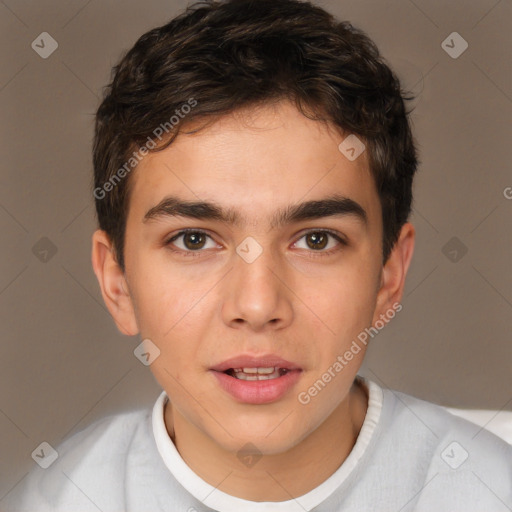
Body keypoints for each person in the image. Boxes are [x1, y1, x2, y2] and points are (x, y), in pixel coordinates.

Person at [4, 0, 511, 510]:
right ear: (118, 283)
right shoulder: (53, 500)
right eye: (194, 240)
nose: (257, 304)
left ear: (388, 277)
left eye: (316, 240)